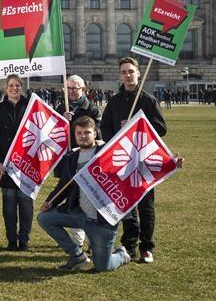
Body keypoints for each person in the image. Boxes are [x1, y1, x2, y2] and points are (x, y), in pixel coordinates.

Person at [37, 116, 131, 272]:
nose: (83, 136)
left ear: (95, 133)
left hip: (102, 221)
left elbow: (136, 161)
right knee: (44, 218)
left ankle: (121, 254)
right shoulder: (71, 157)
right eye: (79, 133)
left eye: (87, 132)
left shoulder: (107, 152)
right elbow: (64, 185)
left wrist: (170, 163)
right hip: (79, 215)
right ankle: (77, 256)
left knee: (102, 267)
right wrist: (50, 202)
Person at [100, 57, 167, 264]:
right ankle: (129, 245)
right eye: (124, 72)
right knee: (127, 204)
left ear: (138, 73)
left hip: (143, 161)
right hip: (122, 161)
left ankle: (147, 247)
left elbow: (161, 128)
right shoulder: (114, 101)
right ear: (120, 75)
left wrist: (138, 126)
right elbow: (105, 128)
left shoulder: (148, 100)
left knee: (146, 206)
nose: (127, 75)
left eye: (131, 71)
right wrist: (116, 138)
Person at [54, 74, 102, 247]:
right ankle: (77, 239)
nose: (72, 91)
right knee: (72, 199)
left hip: (88, 162)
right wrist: (61, 119)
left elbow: (97, 134)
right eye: (69, 88)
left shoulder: (92, 109)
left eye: (76, 88)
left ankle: (92, 239)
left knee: (90, 200)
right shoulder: (61, 107)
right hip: (68, 162)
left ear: (83, 89)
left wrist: (73, 122)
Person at [0, 74, 33, 251]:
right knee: (8, 204)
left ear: (21, 87)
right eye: (11, 86)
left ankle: (24, 239)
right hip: (6, 166)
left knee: (25, 203)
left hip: (25, 166)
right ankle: (11, 240)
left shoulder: (30, 106)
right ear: (6, 88)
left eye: (17, 86)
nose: (14, 88)